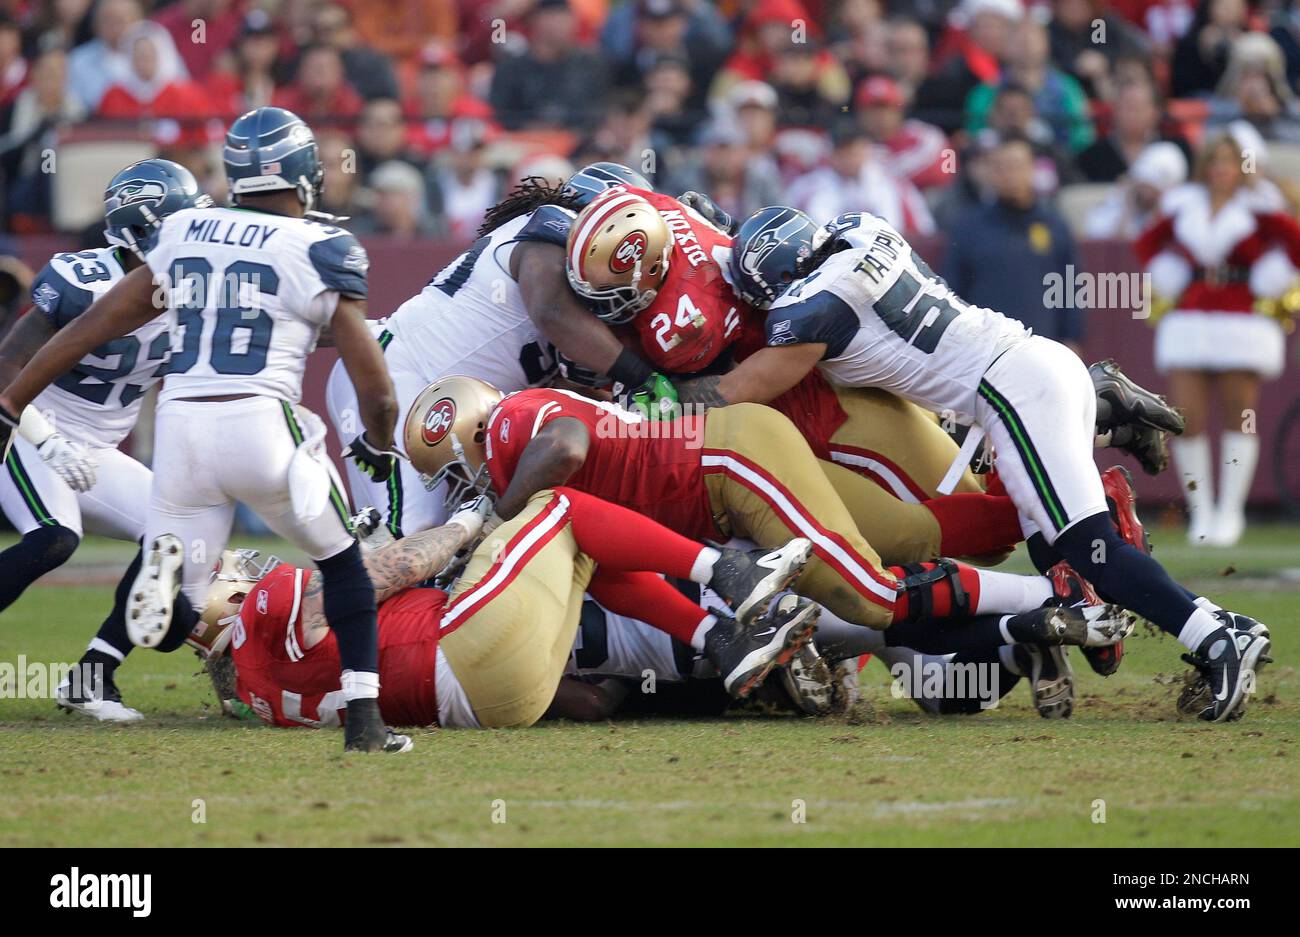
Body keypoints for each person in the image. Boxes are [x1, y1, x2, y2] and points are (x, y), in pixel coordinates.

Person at [678, 204, 1272, 724]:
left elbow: (733, 394)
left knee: (1093, 551)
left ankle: (1217, 636)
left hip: (1010, 393)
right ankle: (1111, 425)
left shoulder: (807, 311)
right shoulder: (859, 228)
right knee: (1058, 556)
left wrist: (648, 396)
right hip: (1027, 366)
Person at [0, 107, 406, 754]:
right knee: (340, 559)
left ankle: (106, 658)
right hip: (226, 424)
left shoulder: (186, 239)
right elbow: (367, 381)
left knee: (175, 575)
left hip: (178, 433)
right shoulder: (314, 245)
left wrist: (12, 404)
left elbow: (94, 328)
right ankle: (366, 720)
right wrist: (32, 425)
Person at [222, 479, 823, 728]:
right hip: (461, 646)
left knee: (585, 552)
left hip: (498, 707)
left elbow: (587, 702)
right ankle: (732, 572)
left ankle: (722, 642)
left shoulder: (261, 698)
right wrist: (465, 524)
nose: (248, 569)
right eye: (231, 573)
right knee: (561, 507)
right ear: (231, 605)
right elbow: (395, 571)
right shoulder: (265, 609)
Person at [324, 162, 670, 540]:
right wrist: (642, 377)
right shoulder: (552, 226)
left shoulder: (584, 298)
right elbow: (552, 312)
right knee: (409, 533)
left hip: (441, 409)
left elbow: (564, 381)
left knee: (434, 545)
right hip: (401, 376)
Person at [0, 160, 210, 722]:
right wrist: (45, 439)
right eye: (180, 227)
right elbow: (7, 367)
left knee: (172, 538)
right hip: (29, 432)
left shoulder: (197, 292)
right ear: (138, 231)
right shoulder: (82, 280)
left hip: (97, 452)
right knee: (54, 538)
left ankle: (92, 677)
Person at [1134, 130, 1300, 546]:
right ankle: (1202, 510)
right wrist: (1169, 273)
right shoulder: (1184, 204)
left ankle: (1230, 509)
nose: (1221, 169)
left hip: (1241, 319)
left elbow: (1295, 244)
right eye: (1215, 160)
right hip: (1190, 317)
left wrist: (1272, 276)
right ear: (1205, 166)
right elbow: (1147, 243)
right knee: (1186, 417)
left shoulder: (1259, 206)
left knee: (1239, 416)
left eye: (1229, 161)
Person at [946, 133, 1083, 349]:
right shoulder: (968, 228)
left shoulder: (1054, 226)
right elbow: (953, 290)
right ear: (991, 173)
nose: (1009, 174)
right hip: (984, 349)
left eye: (1016, 165)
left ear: (1032, 169)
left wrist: (1072, 337)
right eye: (1001, 167)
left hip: (1043, 346)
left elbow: (1070, 287)